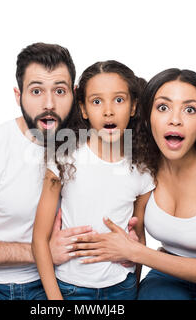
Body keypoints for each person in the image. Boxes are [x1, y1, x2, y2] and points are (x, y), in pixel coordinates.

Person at [69, 68, 196, 300]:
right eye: (163, 107)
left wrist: (135, 251)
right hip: (168, 272)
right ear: (147, 116)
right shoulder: (143, 167)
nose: (175, 119)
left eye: (189, 109)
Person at [0, 43, 95, 300]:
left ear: (74, 94)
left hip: (54, 281)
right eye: (36, 91)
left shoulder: (87, 146)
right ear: (18, 95)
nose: (49, 103)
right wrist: (40, 251)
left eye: (59, 90)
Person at [32, 60, 156, 300]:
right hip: (70, 288)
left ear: (133, 107)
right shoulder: (64, 159)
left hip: (122, 287)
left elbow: (138, 238)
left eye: (119, 100)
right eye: (97, 101)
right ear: (84, 109)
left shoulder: (143, 170)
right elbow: (39, 238)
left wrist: (135, 287)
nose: (108, 110)